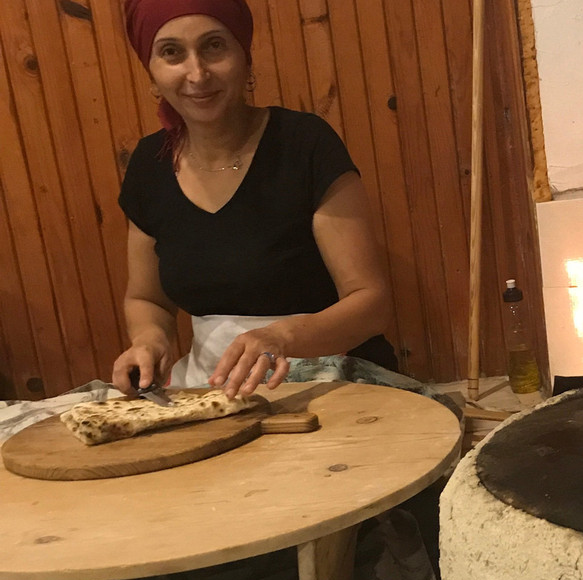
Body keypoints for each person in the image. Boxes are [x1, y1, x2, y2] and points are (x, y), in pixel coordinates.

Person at [114, 0, 397, 400]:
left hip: (333, 379)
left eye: (214, 46)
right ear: (152, 73)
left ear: (245, 59)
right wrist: (149, 340)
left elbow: (371, 303)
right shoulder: (149, 164)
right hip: (212, 387)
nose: (197, 73)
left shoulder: (304, 144)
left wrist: (280, 337)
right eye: (172, 52)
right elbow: (147, 299)